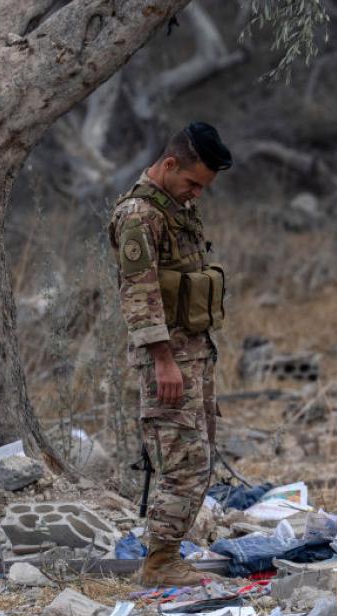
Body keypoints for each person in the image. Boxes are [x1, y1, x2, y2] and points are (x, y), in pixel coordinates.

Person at [106, 122, 233, 586]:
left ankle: (168, 556)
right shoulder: (139, 215)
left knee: (199, 457)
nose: (196, 193)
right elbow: (139, 295)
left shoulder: (174, 209)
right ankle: (159, 564)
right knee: (185, 461)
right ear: (169, 164)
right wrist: (163, 360)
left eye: (204, 187)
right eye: (192, 183)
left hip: (193, 355)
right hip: (168, 360)